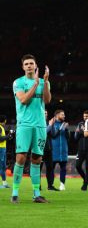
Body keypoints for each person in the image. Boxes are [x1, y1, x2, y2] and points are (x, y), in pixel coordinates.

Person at [11, 54, 51, 203]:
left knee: (37, 159)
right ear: (23, 67)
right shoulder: (18, 82)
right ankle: (15, 193)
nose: (29, 66)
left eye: (31, 63)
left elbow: (47, 100)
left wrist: (45, 82)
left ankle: (36, 194)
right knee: (21, 157)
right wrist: (35, 84)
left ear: (35, 66)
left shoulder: (43, 82)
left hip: (40, 124)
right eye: (26, 64)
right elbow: (23, 99)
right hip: (25, 124)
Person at [49, 109, 69, 191]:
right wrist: (61, 129)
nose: (64, 116)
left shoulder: (65, 125)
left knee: (63, 168)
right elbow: (53, 135)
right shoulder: (52, 124)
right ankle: (51, 184)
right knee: (51, 168)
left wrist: (66, 129)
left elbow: (68, 138)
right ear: (57, 115)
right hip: (54, 150)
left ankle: (62, 184)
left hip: (63, 150)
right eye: (62, 114)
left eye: (64, 114)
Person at [75, 110, 88, 191]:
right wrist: (79, 132)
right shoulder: (80, 124)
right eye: (84, 116)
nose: (85, 118)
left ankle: (85, 184)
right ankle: (85, 179)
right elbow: (75, 137)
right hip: (80, 149)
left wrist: (84, 131)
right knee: (77, 166)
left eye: (87, 116)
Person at [41, 110, 58, 191]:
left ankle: (50, 186)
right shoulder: (37, 123)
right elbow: (43, 134)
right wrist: (50, 126)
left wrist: (53, 126)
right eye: (44, 113)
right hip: (39, 149)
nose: (46, 115)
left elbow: (53, 135)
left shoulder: (48, 123)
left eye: (46, 113)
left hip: (48, 149)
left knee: (50, 168)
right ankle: (37, 186)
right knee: (38, 168)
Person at [0, 115, 12, 188]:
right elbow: (0, 138)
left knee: (3, 167)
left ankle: (4, 183)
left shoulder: (1, 128)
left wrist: (9, 136)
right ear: (4, 121)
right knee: (1, 166)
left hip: (3, 149)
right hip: (0, 149)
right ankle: (4, 183)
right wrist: (8, 136)